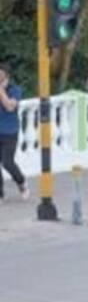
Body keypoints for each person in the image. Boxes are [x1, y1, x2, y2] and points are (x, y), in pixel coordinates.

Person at [0, 65, 29, 200]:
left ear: (6, 76)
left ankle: (21, 182)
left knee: (7, 163)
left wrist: (1, 91)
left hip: (10, 131)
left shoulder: (15, 90)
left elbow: (10, 107)